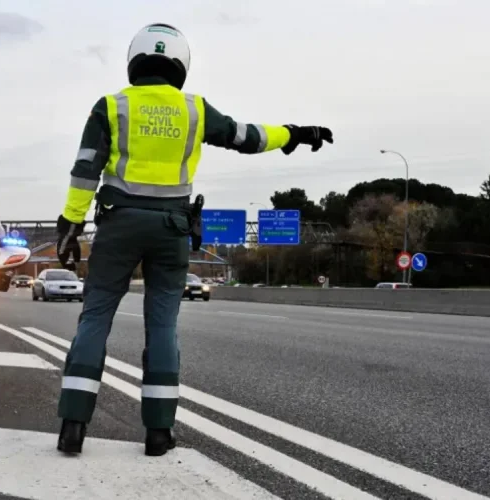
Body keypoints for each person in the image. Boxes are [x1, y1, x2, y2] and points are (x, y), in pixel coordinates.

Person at [54, 22, 334, 457]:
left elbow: (86, 169)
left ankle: (73, 426)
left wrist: (70, 226)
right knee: (162, 326)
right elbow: (246, 136)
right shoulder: (195, 110)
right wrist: (294, 133)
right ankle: (158, 432)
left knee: (95, 318)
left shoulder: (111, 106)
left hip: (118, 226)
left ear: (134, 61)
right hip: (171, 230)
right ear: (180, 64)